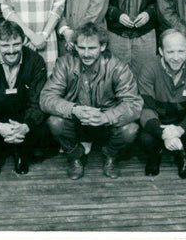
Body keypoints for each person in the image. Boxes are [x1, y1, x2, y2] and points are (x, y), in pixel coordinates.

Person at [40, 23, 142, 180]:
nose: (86, 54)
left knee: (130, 129)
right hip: (76, 122)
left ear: (102, 46)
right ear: (75, 46)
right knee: (54, 122)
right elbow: (46, 98)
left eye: (92, 48)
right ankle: (76, 155)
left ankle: (110, 155)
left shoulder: (118, 67)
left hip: (106, 124)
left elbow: (134, 104)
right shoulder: (64, 63)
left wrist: (106, 117)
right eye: (82, 48)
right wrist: (73, 109)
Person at [0, 20, 49, 178]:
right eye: (6, 45)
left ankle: (22, 154)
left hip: (22, 118)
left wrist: (25, 126)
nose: (11, 51)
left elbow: (38, 101)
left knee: (43, 127)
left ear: (24, 42)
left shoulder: (36, 61)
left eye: (16, 44)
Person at [138, 29, 186, 179]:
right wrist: (164, 134)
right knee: (144, 137)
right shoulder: (149, 67)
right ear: (161, 51)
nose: (176, 57)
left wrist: (180, 130)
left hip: (183, 123)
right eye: (170, 52)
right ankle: (155, 155)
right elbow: (146, 109)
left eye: (181, 51)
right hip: (160, 122)